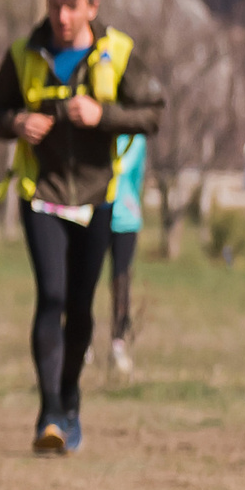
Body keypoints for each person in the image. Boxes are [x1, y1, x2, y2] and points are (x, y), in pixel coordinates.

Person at [0, 0, 163, 452]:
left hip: (96, 196)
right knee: (52, 296)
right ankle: (49, 416)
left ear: (92, 7)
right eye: (54, 5)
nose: (61, 16)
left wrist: (103, 114)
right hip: (40, 193)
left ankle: (69, 399)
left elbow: (153, 113)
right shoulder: (23, 53)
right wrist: (17, 123)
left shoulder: (118, 53)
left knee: (80, 307)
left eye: (71, 7)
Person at [108, 132, 146, 377]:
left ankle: (118, 343)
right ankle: (82, 341)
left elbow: (134, 175)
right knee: (84, 279)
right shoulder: (98, 129)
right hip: (95, 214)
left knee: (121, 281)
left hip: (126, 219)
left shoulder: (137, 138)